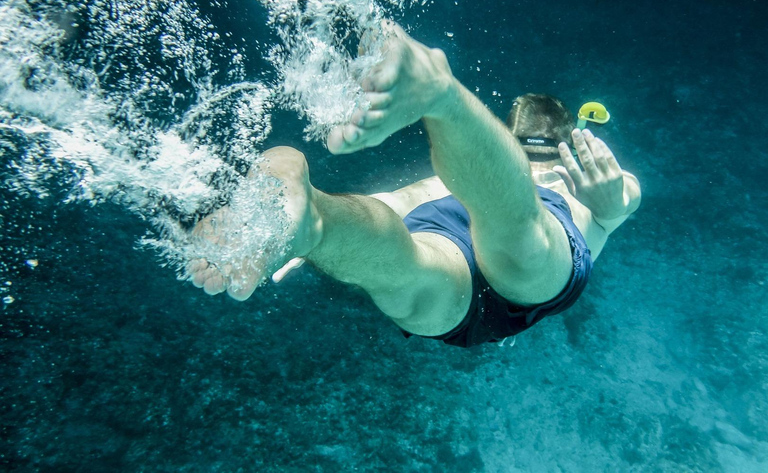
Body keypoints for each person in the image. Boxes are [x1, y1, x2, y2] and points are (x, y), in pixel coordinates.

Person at [188, 23, 641, 348]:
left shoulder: (470, 173)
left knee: (405, 264)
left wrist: (298, 233)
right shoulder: (587, 180)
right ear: (566, 143)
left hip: (449, 222)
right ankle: (442, 98)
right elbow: (623, 197)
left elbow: (401, 200)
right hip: (514, 253)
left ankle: (316, 220)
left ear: (507, 137)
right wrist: (611, 203)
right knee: (521, 241)